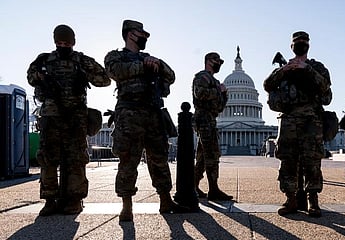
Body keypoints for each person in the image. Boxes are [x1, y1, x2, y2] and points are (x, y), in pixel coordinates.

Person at [104, 20, 188, 222]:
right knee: (127, 160)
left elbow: (171, 76)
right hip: (128, 114)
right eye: (142, 34)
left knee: (159, 158)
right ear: (130, 34)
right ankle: (126, 205)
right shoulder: (116, 56)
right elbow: (115, 72)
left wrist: (157, 63)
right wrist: (143, 65)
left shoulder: (150, 58)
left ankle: (165, 199)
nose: (145, 38)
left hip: (152, 114)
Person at [27, 24, 111, 216]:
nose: (62, 45)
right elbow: (31, 76)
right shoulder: (44, 60)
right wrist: (39, 76)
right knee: (48, 158)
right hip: (51, 116)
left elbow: (105, 80)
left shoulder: (81, 60)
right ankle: (49, 199)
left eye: (66, 42)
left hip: (76, 117)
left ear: (73, 42)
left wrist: (86, 74)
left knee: (76, 158)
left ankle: (74, 199)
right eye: (59, 42)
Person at [263, 31, 332, 217]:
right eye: (297, 42)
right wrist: (284, 70)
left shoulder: (317, 67)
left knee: (312, 161)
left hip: (311, 120)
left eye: (303, 42)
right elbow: (267, 85)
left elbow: (326, 87)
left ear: (308, 45)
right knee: (288, 160)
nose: (300, 44)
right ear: (291, 46)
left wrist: (306, 69)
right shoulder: (285, 69)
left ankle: (313, 200)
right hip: (289, 119)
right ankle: (290, 199)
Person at [192, 52, 233, 201]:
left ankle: (194, 186)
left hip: (211, 118)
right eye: (217, 61)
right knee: (212, 154)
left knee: (203, 156)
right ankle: (213, 189)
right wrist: (219, 91)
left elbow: (220, 107)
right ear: (209, 61)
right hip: (203, 118)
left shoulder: (215, 81)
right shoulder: (202, 77)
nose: (219, 64)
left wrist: (225, 94)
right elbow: (200, 93)